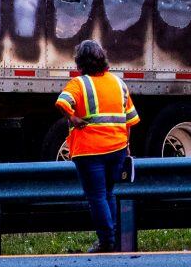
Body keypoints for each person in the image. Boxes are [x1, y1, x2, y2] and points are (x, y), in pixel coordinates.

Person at [55, 40, 140, 253]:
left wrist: (73, 119)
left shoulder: (79, 83)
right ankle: (113, 238)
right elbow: (130, 119)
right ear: (103, 59)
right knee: (109, 194)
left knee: (96, 196)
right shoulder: (119, 83)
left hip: (90, 150)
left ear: (80, 63)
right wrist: (127, 146)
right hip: (118, 149)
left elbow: (62, 102)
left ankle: (107, 241)